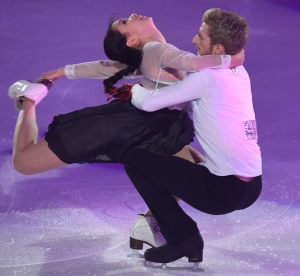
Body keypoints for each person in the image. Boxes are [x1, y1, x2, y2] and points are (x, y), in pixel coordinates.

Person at [9, 13, 244, 252]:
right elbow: (193, 64)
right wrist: (230, 59)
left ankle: (148, 225)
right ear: (131, 41)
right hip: (124, 127)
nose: (131, 15)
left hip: (155, 128)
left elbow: (104, 68)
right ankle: (29, 99)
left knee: (193, 173)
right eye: (124, 23)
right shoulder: (158, 50)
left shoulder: (151, 52)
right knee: (23, 163)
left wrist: (61, 72)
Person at [123, 8, 262, 265]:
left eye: (201, 37)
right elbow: (203, 103)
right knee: (187, 157)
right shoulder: (239, 72)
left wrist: (133, 90)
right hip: (252, 187)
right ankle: (164, 229)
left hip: (223, 192)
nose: (194, 41)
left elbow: (149, 104)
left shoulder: (208, 77)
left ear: (218, 50)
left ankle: (183, 238)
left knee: (134, 160)